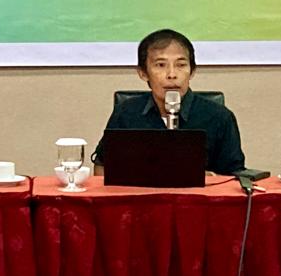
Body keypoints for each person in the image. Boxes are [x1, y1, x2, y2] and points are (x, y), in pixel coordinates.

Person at [92, 29, 245, 175]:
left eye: (181, 65)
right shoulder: (126, 113)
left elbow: (235, 176)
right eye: (160, 65)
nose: (172, 74)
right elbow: (102, 166)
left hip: (198, 201)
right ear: (143, 73)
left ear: (192, 71)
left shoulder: (219, 117)